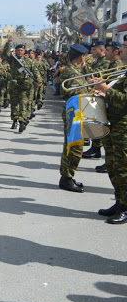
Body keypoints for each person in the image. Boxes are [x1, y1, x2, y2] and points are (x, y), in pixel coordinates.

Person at [90, 37, 127, 223]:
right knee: (113, 166)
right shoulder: (122, 72)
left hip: (124, 129)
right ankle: (120, 202)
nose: (121, 51)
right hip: (115, 126)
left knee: (124, 169)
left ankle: (126, 207)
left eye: (125, 47)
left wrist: (105, 89)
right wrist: (103, 89)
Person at [57, 44, 90, 193]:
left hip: (76, 111)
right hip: (74, 112)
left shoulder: (75, 70)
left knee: (74, 145)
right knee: (74, 146)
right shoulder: (73, 72)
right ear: (82, 57)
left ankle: (68, 176)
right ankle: (66, 178)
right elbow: (75, 93)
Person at [2, 40, 42, 133]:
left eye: (21, 50)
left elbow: (35, 71)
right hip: (14, 85)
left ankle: (22, 122)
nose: (20, 52)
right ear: (15, 51)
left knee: (24, 103)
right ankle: (15, 120)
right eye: (18, 50)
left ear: (24, 52)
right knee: (14, 104)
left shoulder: (29, 61)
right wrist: (9, 43)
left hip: (25, 85)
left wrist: (39, 81)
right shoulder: (12, 59)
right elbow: (4, 53)